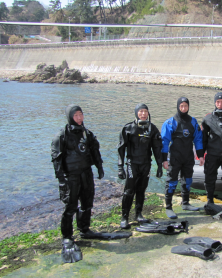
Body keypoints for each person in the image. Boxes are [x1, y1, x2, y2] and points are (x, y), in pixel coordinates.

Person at [52, 105, 123, 263]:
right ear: (70, 117)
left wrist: (99, 167)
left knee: (87, 203)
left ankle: (84, 229)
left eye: (81, 114)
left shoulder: (87, 133)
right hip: (71, 176)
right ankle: (67, 237)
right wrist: (62, 182)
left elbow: (95, 151)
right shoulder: (61, 136)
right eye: (76, 115)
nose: (79, 118)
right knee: (70, 207)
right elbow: (57, 161)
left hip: (86, 173)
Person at [117, 103, 163, 229]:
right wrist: (120, 167)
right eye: (141, 111)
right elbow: (121, 149)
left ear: (148, 114)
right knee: (129, 190)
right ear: (136, 113)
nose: (143, 114)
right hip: (132, 163)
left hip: (146, 164)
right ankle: (124, 217)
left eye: (146, 111)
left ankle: (138, 214)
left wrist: (159, 165)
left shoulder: (152, 129)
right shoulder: (128, 128)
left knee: (141, 190)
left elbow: (157, 148)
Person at [161, 97, 205, 219]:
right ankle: (169, 207)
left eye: (186, 106)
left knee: (188, 180)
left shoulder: (193, 122)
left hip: (188, 157)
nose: (184, 108)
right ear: (178, 106)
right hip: (175, 158)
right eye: (181, 106)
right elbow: (164, 141)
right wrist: (164, 159)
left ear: (188, 107)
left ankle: (185, 203)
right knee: (172, 182)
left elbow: (198, 139)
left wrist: (200, 156)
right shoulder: (170, 122)